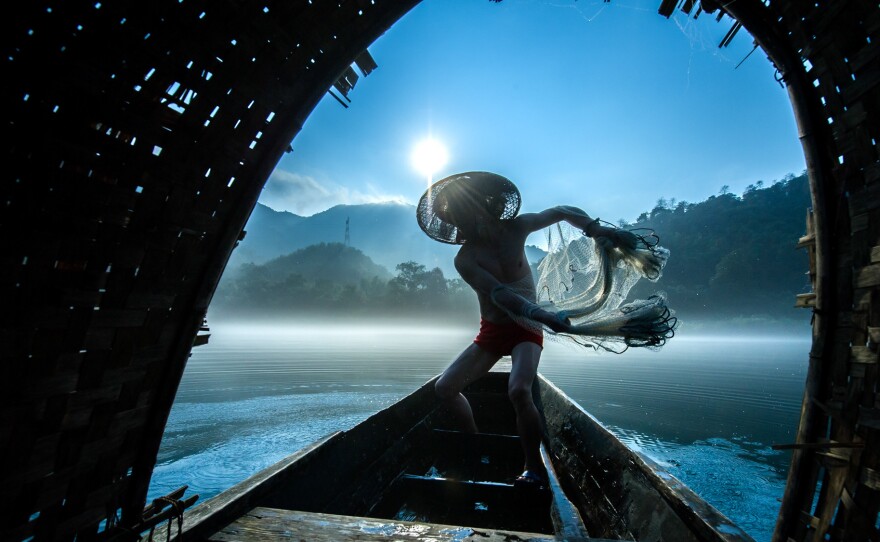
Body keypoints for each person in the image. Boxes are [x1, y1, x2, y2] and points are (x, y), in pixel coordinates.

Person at [416, 171, 644, 488]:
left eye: (467, 210)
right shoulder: (465, 258)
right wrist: (542, 313)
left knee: (520, 389)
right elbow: (497, 293)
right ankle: (474, 441)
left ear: (485, 204)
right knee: (444, 388)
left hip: (526, 328)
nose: (466, 219)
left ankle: (533, 466)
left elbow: (562, 211)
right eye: (457, 217)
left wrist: (595, 228)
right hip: (493, 332)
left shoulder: (518, 228)